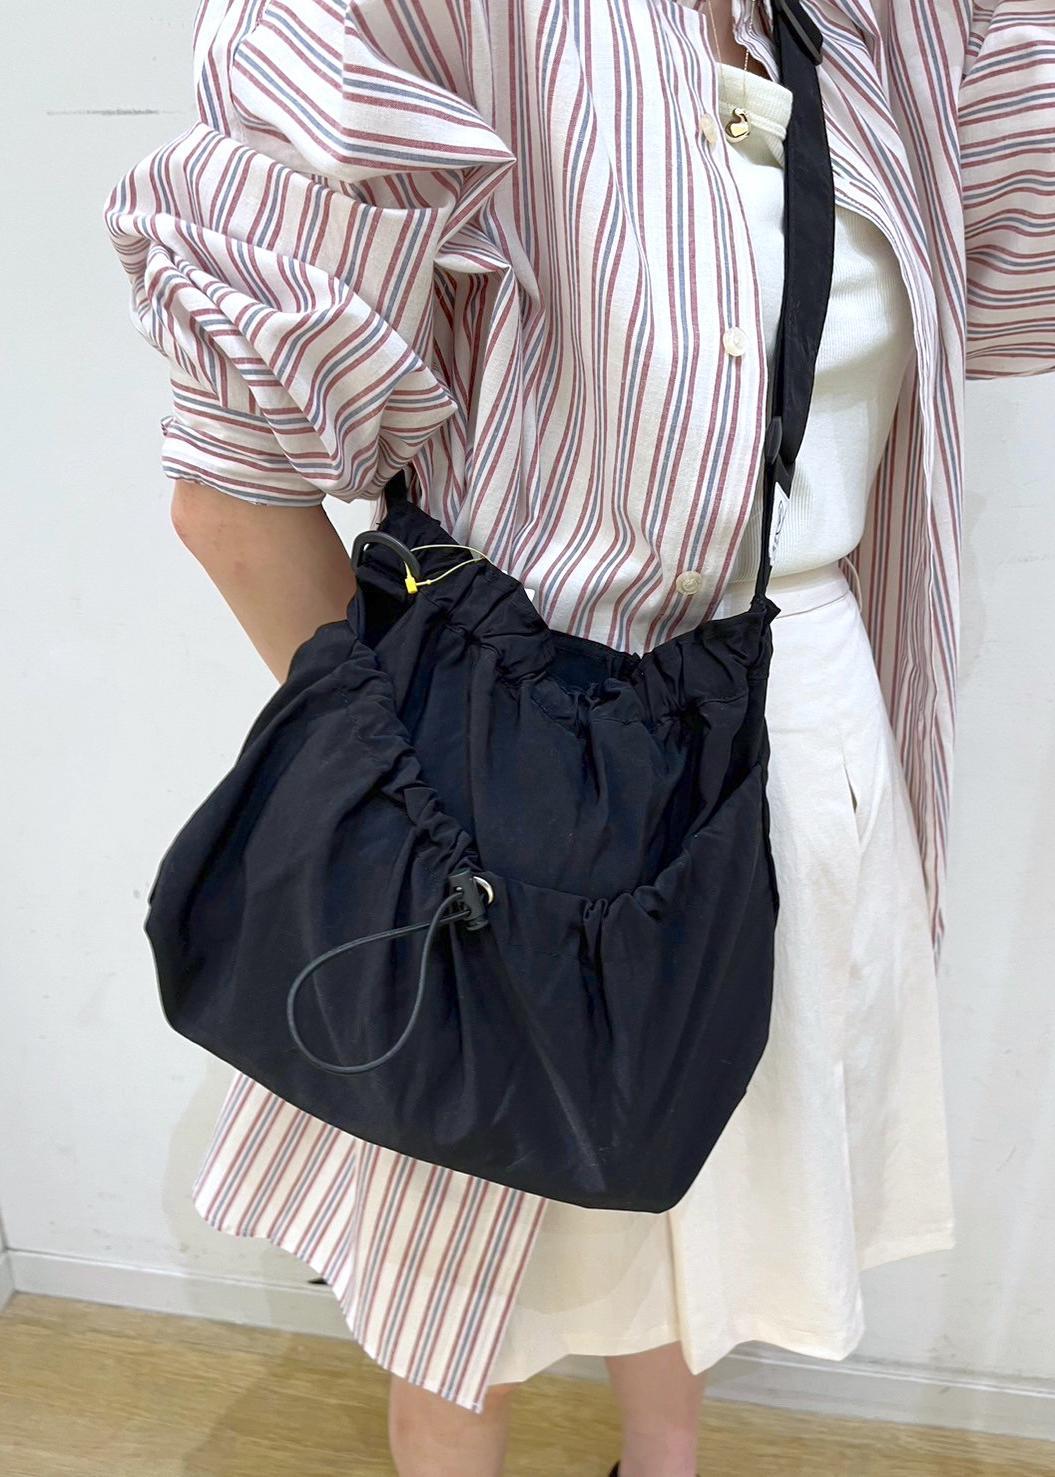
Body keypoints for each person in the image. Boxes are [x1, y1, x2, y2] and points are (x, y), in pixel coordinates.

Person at [101, 1, 1055, 1473]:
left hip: (799, 736)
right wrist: (406, 803)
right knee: (459, 1292)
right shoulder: (458, 22)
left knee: (685, 1191)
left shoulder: (896, 31)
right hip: (520, 767)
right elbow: (230, 496)